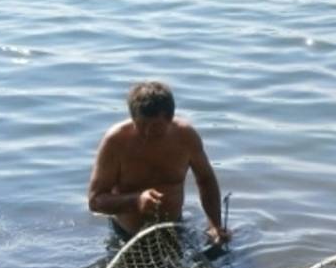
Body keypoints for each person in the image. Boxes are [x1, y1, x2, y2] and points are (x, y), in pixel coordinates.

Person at [88, 81, 231, 246]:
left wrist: (214, 225)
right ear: (132, 118)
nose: (148, 133)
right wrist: (135, 200)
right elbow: (95, 201)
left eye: (156, 127)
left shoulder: (186, 137)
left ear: (170, 119)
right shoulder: (115, 141)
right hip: (127, 236)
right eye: (141, 126)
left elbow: (206, 180)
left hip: (174, 230)